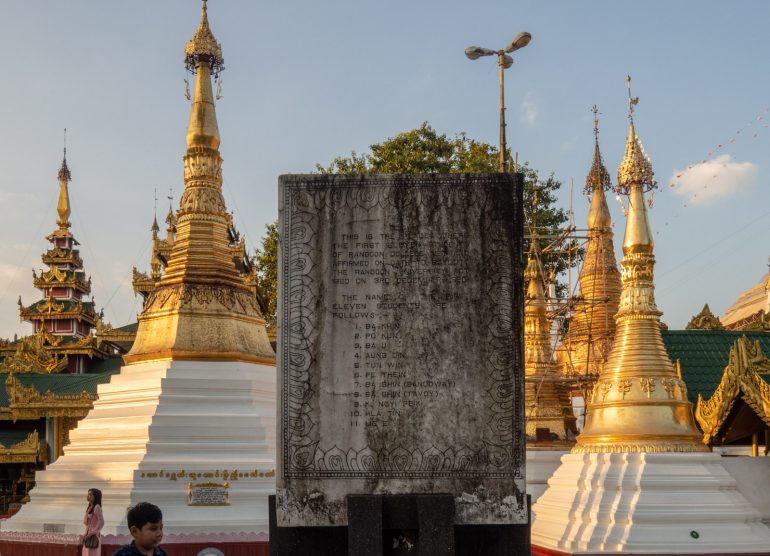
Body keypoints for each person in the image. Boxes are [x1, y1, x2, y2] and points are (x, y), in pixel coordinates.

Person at [82, 488, 104, 556]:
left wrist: (91, 533)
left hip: (93, 536)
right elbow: (85, 522)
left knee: (92, 553)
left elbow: (101, 522)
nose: (88, 496)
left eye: (91, 495)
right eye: (88, 494)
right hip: (87, 534)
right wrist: (88, 511)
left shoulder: (97, 507)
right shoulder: (90, 507)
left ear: (95, 496)